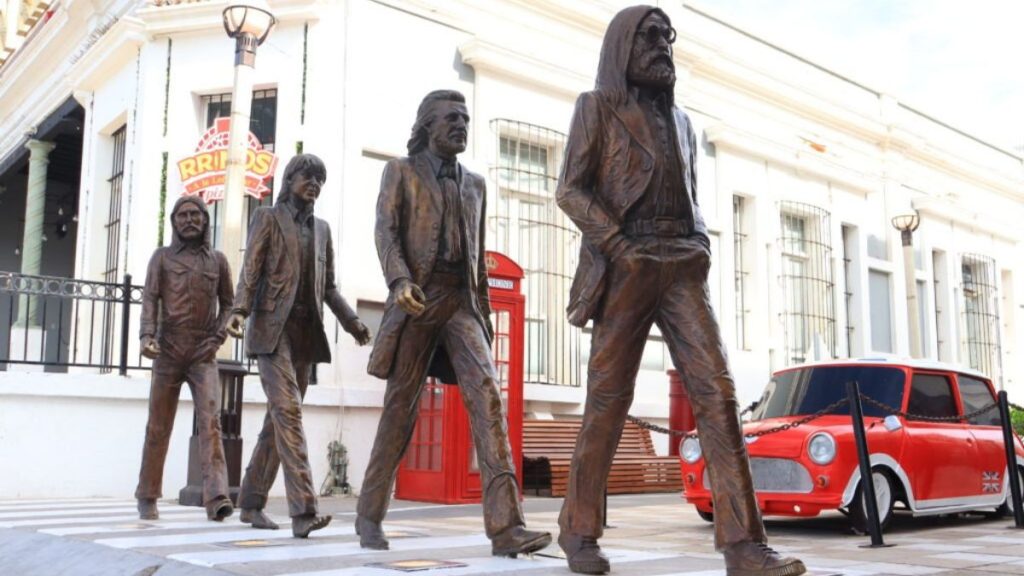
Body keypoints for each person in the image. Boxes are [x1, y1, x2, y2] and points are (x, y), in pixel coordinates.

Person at [554, 6, 807, 576]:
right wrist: (618, 245)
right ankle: (579, 532)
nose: (662, 45)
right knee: (608, 401)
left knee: (717, 396)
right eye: (650, 36)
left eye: (668, 36)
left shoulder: (686, 122)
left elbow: (689, 193)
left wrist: (702, 242)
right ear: (623, 44)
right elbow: (570, 189)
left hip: (682, 266)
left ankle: (744, 545)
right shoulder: (596, 108)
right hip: (627, 263)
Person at [356, 90, 551, 558]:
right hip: (418, 300)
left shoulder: (476, 184)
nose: (461, 124)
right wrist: (399, 279)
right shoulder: (400, 171)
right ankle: (369, 513)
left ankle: (506, 527)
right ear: (427, 125)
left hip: (462, 302)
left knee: (489, 401)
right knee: (400, 412)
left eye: (465, 118)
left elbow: (479, 259)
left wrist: (482, 317)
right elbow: (384, 229)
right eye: (450, 118)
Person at [225, 153, 371, 538]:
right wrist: (239, 310)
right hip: (272, 331)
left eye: (320, 180)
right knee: (288, 412)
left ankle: (252, 501)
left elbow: (328, 288)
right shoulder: (267, 219)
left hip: (305, 335)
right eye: (307, 177)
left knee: (278, 420)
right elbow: (251, 269)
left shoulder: (322, 229)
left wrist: (353, 321)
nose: (314, 185)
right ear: (289, 180)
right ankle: (304, 511)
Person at [136, 195, 234, 522]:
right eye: (183, 215)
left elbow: (230, 305)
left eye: (196, 214)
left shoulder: (218, 261)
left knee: (211, 423)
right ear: (174, 222)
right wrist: (146, 336)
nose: (189, 220)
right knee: (158, 424)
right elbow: (150, 298)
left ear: (205, 220)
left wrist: (218, 337)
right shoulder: (161, 259)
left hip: (203, 353)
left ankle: (217, 496)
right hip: (168, 349)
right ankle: (147, 495)